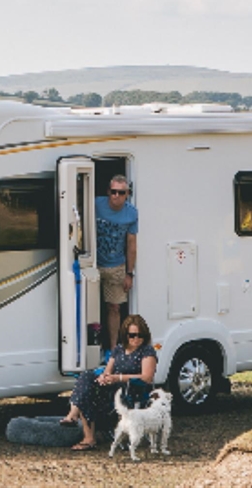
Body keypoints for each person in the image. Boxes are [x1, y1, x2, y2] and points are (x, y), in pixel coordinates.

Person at [60, 314, 157, 451]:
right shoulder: (118, 349)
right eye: (132, 335)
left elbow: (147, 377)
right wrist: (104, 378)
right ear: (125, 335)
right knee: (87, 378)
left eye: (140, 335)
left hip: (133, 390)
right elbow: (108, 370)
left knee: (88, 386)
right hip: (113, 388)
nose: (136, 338)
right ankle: (85, 432)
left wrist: (119, 377)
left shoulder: (147, 351)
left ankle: (74, 417)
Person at [95, 175, 138, 350]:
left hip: (116, 266)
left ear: (127, 194)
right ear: (107, 192)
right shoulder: (96, 204)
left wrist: (129, 273)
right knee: (90, 306)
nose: (116, 196)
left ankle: (113, 349)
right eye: (113, 192)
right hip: (93, 264)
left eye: (121, 192)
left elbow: (131, 244)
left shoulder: (131, 213)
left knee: (114, 308)